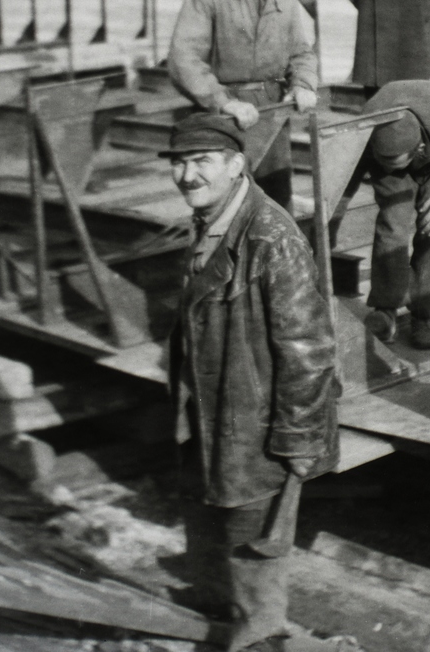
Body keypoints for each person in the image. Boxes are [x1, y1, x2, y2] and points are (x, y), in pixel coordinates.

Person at [163, 113, 338, 652]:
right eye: (179, 162)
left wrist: (297, 439)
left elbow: (309, 351)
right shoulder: (215, 218)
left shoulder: (270, 236)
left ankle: (257, 637)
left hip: (256, 416)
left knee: (254, 532)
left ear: (236, 166)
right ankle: (224, 603)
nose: (188, 175)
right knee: (212, 505)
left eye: (202, 162)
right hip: (218, 403)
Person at [169, 0, 320, 210]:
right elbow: (184, 59)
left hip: (272, 108)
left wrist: (303, 84)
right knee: (225, 204)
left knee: (276, 200)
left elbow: (301, 52)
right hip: (223, 113)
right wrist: (224, 102)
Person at [359, 79, 430, 350]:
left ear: (416, 150)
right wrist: (328, 226)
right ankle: (386, 308)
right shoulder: (367, 127)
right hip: (390, 154)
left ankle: (424, 314)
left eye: (396, 162)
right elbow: (344, 179)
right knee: (392, 223)